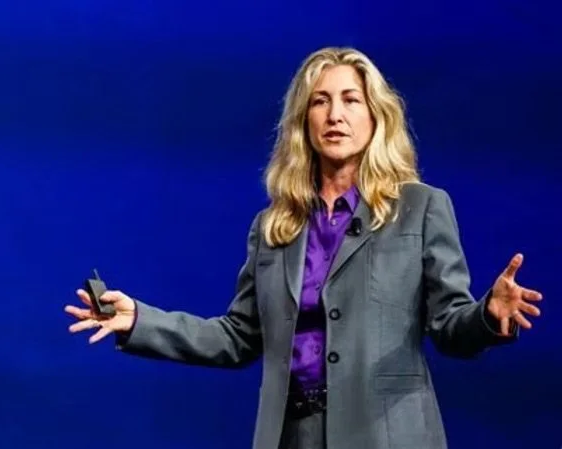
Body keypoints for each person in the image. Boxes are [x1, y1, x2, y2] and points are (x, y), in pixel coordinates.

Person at [64, 46, 543, 449]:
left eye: (351, 100)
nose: (335, 115)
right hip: (292, 435)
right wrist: (140, 321)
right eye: (320, 102)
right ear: (304, 120)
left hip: (386, 436)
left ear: (375, 115)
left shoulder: (420, 208)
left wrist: (488, 314)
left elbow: (451, 327)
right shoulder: (274, 226)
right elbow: (237, 337)